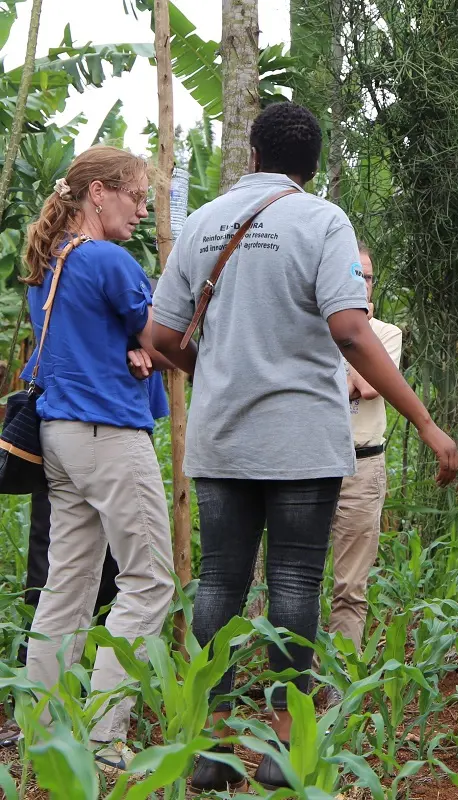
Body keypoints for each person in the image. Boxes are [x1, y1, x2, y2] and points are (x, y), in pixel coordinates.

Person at [150, 102, 458, 792]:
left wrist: (219, 377)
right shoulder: (324, 221)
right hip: (301, 439)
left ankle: (212, 743)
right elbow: (351, 331)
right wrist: (426, 422)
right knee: (295, 583)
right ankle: (284, 747)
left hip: (222, 438)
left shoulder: (200, 224)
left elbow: (162, 339)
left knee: (221, 582)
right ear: (310, 166)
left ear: (252, 157)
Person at [18, 145, 183, 770]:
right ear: (98, 194)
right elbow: (164, 342)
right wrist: (151, 349)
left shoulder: (52, 261)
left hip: (60, 436)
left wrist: (133, 348)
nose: (142, 210)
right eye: (136, 196)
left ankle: (43, 730)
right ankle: (105, 736)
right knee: (148, 581)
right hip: (108, 435)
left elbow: (104, 340)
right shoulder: (110, 263)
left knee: (69, 583)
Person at [323, 242, 404, 692]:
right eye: (353, 274)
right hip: (311, 465)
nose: (361, 283)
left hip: (363, 466)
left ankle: (338, 683)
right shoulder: (314, 328)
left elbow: (369, 387)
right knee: (299, 577)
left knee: (350, 584)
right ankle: (296, 677)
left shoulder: (386, 333)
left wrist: (353, 338)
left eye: (368, 277)